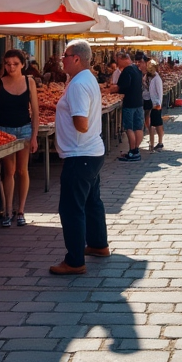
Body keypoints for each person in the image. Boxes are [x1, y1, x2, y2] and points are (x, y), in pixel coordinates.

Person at [50, 39, 109, 276]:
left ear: (76, 58)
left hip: (79, 153)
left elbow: (81, 123)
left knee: (71, 208)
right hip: (91, 151)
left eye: (64, 55)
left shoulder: (78, 85)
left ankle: (74, 261)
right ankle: (98, 244)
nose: (60, 59)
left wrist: (72, 122)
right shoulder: (87, 79)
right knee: (92, 201)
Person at [0, 49, 40, 228]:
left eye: (15, 64)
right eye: (8, 64)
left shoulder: (30, 82)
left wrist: (34, 136)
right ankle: (8, 210)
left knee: (22, 170)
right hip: (4, 131)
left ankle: (21, 210)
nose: (11, 67)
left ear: (23, 65)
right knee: (8, 171)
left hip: (24, 129)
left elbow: (35, 111)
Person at [109, 50, 145, 161]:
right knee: (138, 127)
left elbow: (122, 87)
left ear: (123, 59)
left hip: (129, 103)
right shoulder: (137, 69)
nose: (117, 64)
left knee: (129, 128)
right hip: (139, 102)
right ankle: (136, 151)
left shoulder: (127, 71)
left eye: (118, 61)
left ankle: (132, 152)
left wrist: (111, 90)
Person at [143, 59, 165, 151]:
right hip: (150, 102)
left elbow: (159, 92)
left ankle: (159, 142)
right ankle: (152, 143)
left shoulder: (157, 79)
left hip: (156, 104)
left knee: (157, 123)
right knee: (151, 124)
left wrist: (159, 104)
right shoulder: (148, 78)